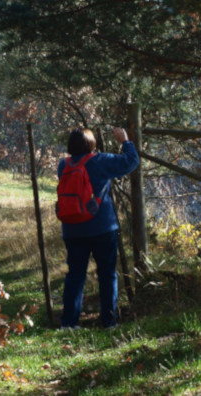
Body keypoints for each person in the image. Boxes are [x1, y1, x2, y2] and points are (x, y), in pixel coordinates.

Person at [58, 127, 139, 329]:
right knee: (107, 274)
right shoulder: (99, 161)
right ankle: (109, 321)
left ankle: (69, 323)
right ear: (91, 144)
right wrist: (125, 141)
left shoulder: (63, 165)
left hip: (72, 228)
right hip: (101, 227)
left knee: (75, 275)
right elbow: (131, 162)